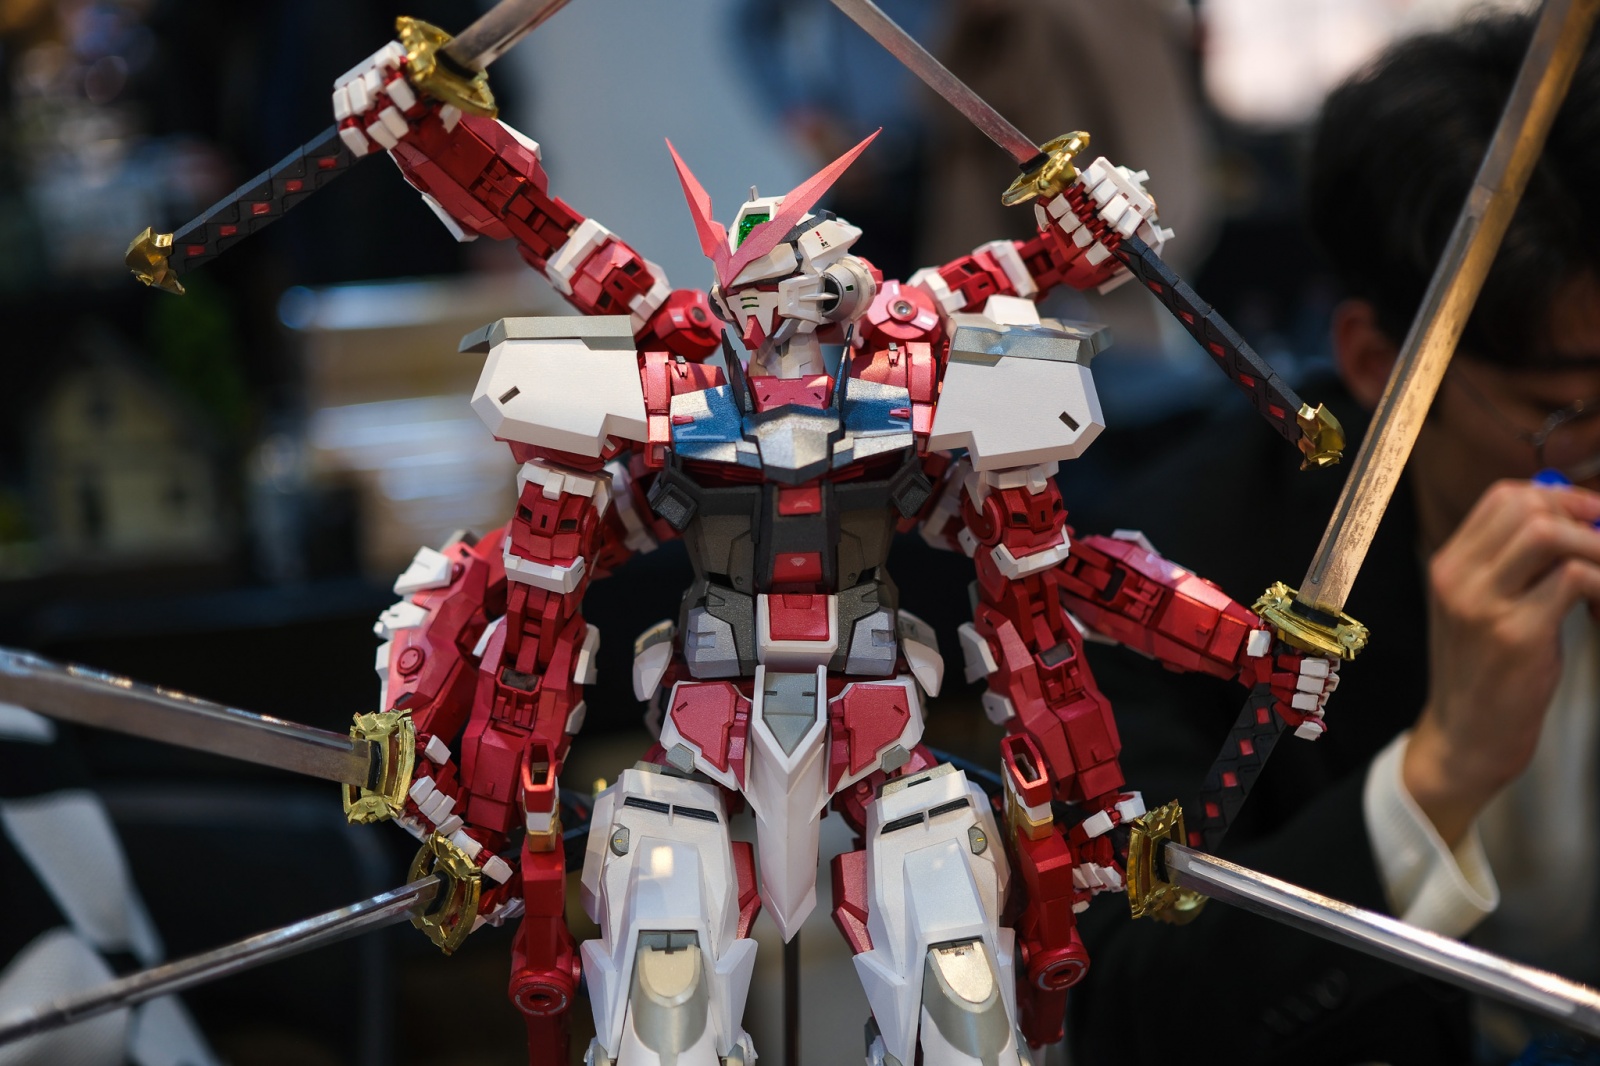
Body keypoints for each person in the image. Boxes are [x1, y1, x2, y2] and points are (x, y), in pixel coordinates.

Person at [1066, 11, 1600, 1064]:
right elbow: (1123, 1010)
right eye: (1563, 412)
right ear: (1376, 363)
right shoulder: (1178, 581)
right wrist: (1437, 774)